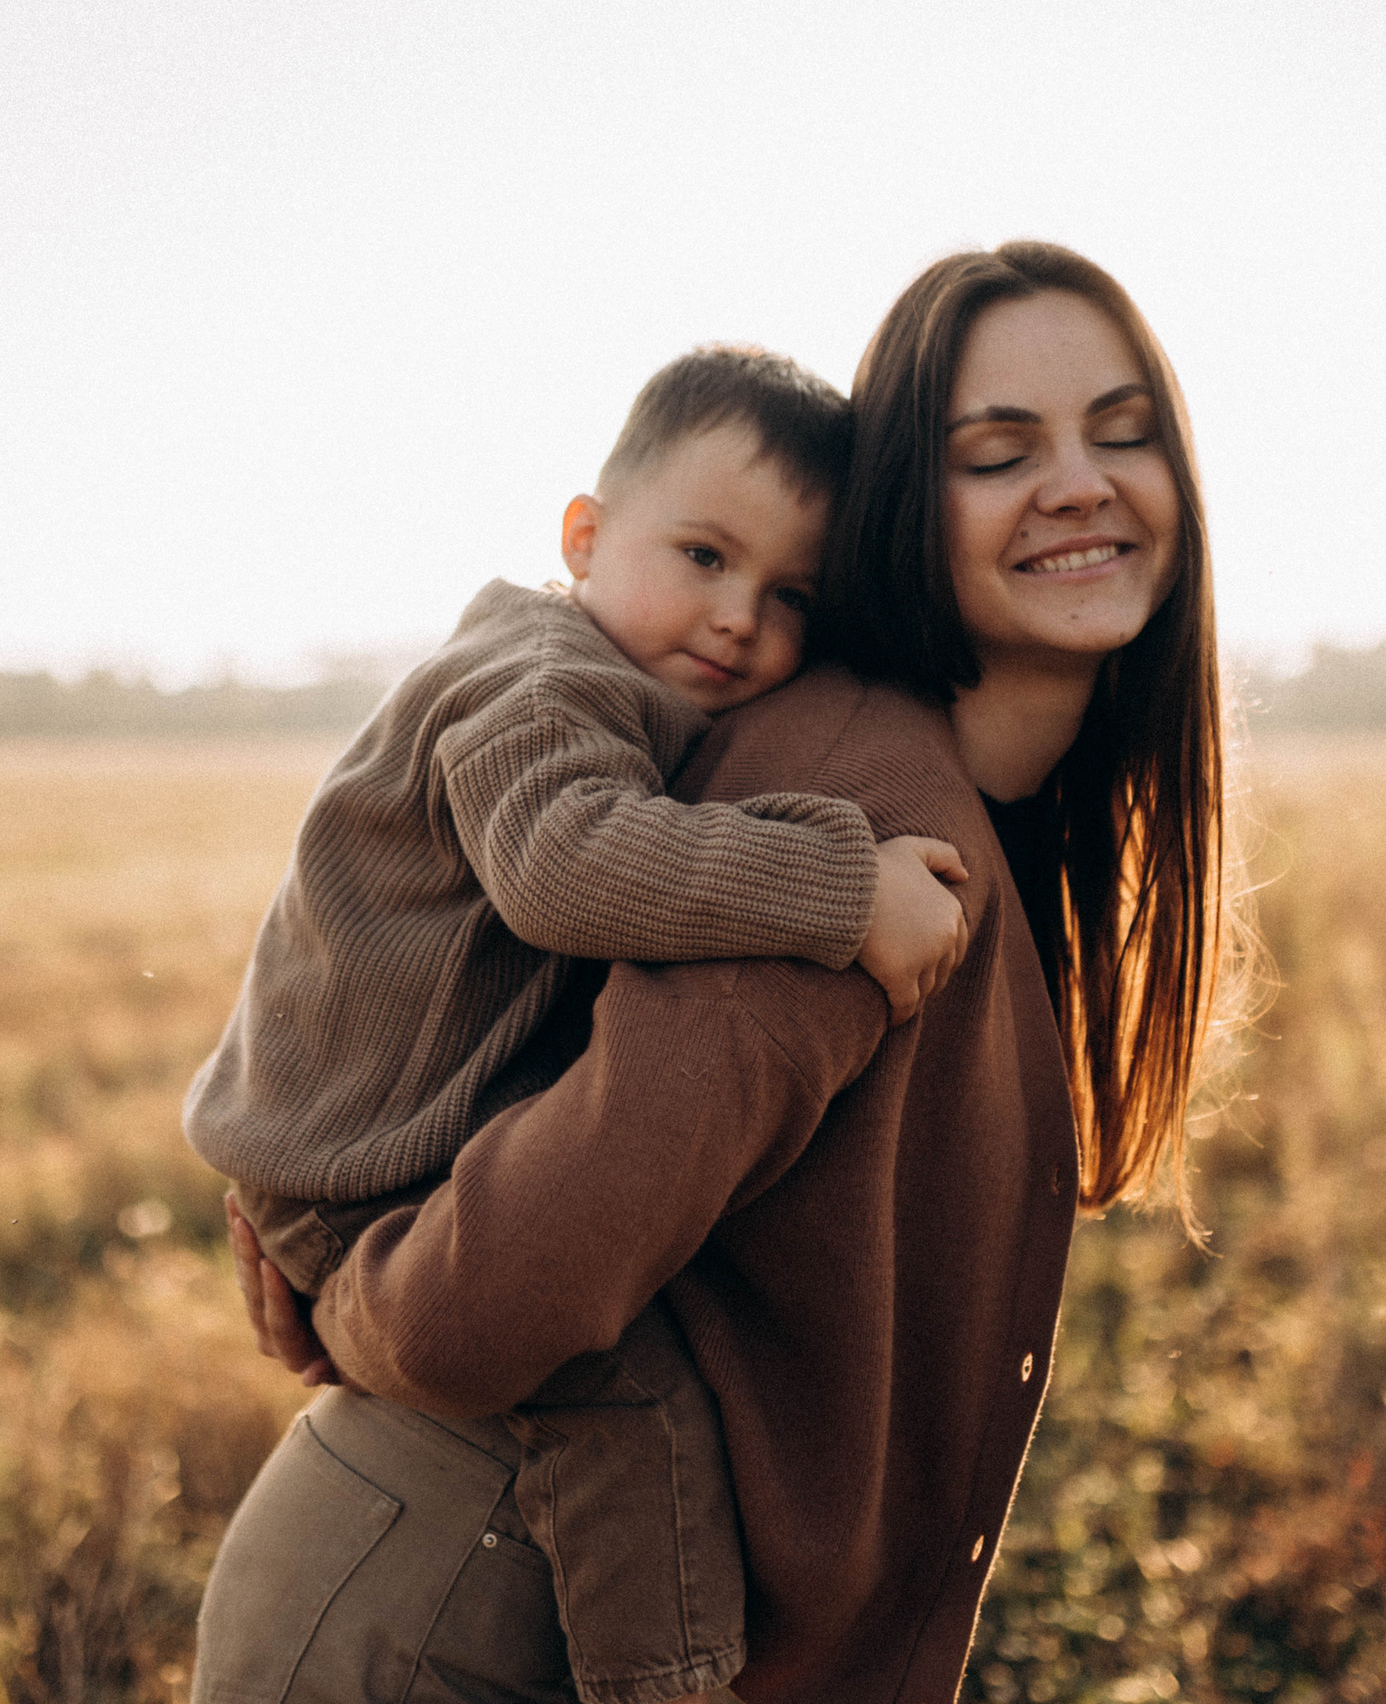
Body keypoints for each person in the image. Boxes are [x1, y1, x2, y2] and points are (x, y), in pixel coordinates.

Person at [203, 241, 1252, 1703]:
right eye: (1001, 452)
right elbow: (483, 1301)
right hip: (449, 1619)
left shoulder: (966, 820)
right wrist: (344, 1295)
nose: (1078, 482)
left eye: (1123, 431)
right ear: (906, 510)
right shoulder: (848, 824)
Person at [184, 344, 974, 1704]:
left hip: (373, 1153)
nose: (739, 619)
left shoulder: (612, 681)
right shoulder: (535, 685)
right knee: (629, 1408)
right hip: (357, 1176)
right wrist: (840, 888)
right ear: (585, 537)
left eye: (792, 596)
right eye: (706, 556)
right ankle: (661, 1684)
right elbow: (567, 865)